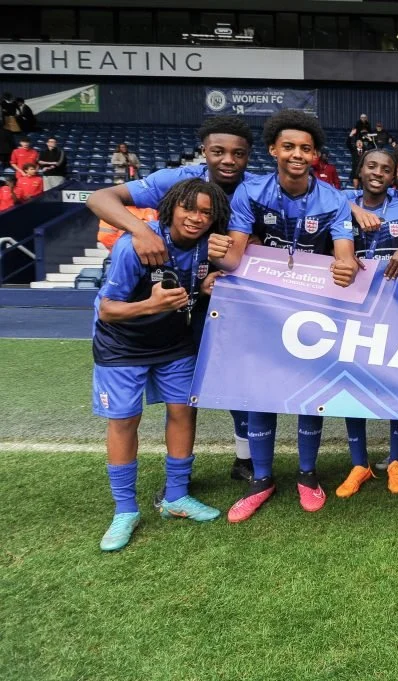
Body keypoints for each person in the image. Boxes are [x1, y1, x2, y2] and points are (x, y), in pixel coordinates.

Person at [86, 116, 258, 482]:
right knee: (153, 408)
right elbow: (99, 197)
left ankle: (238, 460)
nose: (228, 159)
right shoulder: (176, 182)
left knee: (224, 384)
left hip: (217, 297)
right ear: (204, 152)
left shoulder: (256, 188)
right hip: (159, 314)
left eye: (237, 153)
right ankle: (139, 500)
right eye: (218, 151)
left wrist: (231, 258)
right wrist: (140, 232)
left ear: (249, 156)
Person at [212, 109, 360, 523]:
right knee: (260, 389)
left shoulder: (333, 199)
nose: (297, 154)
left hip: (312, 308)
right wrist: (218, 259)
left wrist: (345, 266)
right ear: (274, 149)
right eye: (289, 146)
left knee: (309, 392)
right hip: (262, 308)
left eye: (306, 148)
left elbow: (344, 255)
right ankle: (262, 479)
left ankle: (308, 475)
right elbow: (237, 254)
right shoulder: (250, 191)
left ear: (316, 156)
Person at [92, 178, 230, 551]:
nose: (197, 218)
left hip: (173, 343)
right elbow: (107, 310)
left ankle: (176, 497)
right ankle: (124, 511)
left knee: (183, 412)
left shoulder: (208, 247)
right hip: (123, 345)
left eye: (206, 212)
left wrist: (203, 289)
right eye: (189, 209)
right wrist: (150, 306)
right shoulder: (134, 245)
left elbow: (193, 287)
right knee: (124, 420)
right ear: (172, 207)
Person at [334, 148, 398, 498]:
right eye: (372, 166)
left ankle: (396, 460)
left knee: (395, 381)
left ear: (393, 176)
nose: (378, 173)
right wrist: (353, 208)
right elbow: (324, 195)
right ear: (360, 168)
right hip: (349, 307)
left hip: (396, 309)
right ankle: (359, 463)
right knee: (352, 381)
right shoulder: (340, 200)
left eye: (386, 169)